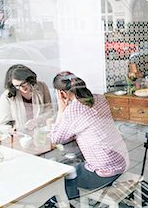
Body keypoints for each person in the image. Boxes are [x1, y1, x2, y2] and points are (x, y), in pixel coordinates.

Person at [50, 71, 129, 199]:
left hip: (103, 173)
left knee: (58, 180)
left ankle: (69, 201)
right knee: (75, 161)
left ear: (62, 93)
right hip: (121, 160)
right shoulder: (100, 98)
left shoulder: (73, 110)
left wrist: (61, 109)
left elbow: (55, 139)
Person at [0, 64, 53, 132]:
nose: (21, 88)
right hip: (20, 135)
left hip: (40, 131)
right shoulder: (7, 96)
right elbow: (4, 124)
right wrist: (11, 130)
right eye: (17, 86)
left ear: (29, 79)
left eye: (23, 83)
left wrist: (37, 121)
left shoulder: (42, 86)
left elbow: (50, 110)